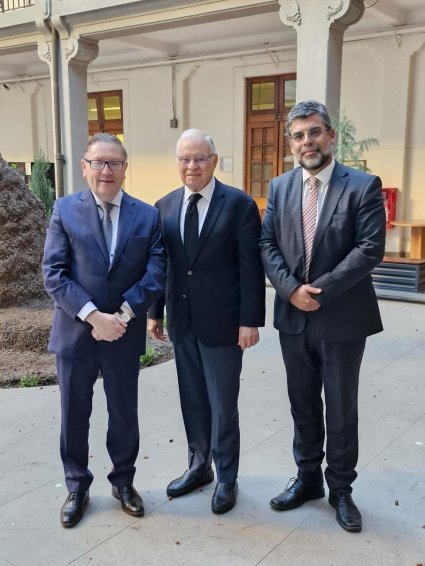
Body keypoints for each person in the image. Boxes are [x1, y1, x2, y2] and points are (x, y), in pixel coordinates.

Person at [260, 100, 386, 533]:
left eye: (314, 132)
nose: (306, 142)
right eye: (298, 135)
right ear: (291, 143)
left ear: (330, 135)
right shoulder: (279, 188)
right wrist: (291, 289)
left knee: (340, 406)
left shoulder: (363, 186)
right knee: (302, 404)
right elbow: (267, 245)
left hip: (343, 318)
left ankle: (342, 490)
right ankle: (308, 478)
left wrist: (321, 292)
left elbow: (369, 249)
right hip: (293, 316)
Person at [42, 133, 166, 528]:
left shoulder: (147, 215)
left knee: (124, 413)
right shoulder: (64, 210)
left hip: (123, 335)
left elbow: (156, 270)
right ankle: (76, 486)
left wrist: (124, 315)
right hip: (76, 335)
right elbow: (54, 274)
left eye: (114, 163)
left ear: (125, 168)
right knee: (73, 415)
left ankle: (124, 482)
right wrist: (94, 316)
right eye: (98, 162)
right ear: (85, 167)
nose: (106, 170)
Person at [148, 129, 265, 514]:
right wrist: (154, 312)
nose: (191, 166)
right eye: (184, 158)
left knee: (221, 403)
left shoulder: (239, 205)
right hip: (183, 322)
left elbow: (251, 268)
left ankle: (227, 476)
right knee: (193, 399)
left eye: (200, 158)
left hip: (225, 324)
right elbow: (162, 265)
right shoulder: (163, 206)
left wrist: (250, 321)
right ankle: (199, 467)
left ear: (214, 161)